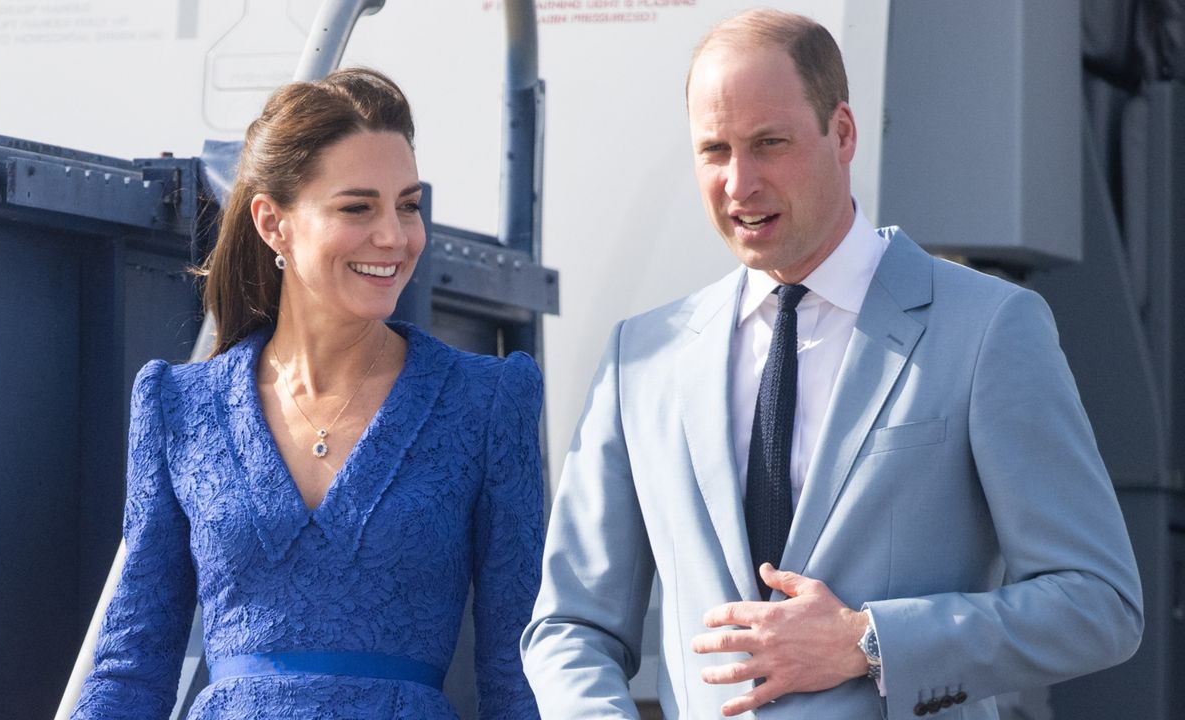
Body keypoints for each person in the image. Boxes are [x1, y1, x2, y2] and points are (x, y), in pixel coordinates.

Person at [522, 8, 1142, 719]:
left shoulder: (987, 329)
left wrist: (868, 642)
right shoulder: (643, 357)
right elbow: (571, 627)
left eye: (769, 143)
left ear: (842, 133)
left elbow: (1099, 601)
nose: (739, 182)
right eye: (714, 149)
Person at [71, 68, 544, 719]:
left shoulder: (489, 401)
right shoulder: (176, 406)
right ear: (273, 224)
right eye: (358, 207)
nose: (395, 237)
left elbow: (519, 674)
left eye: (407, 205)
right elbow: (132, 669)